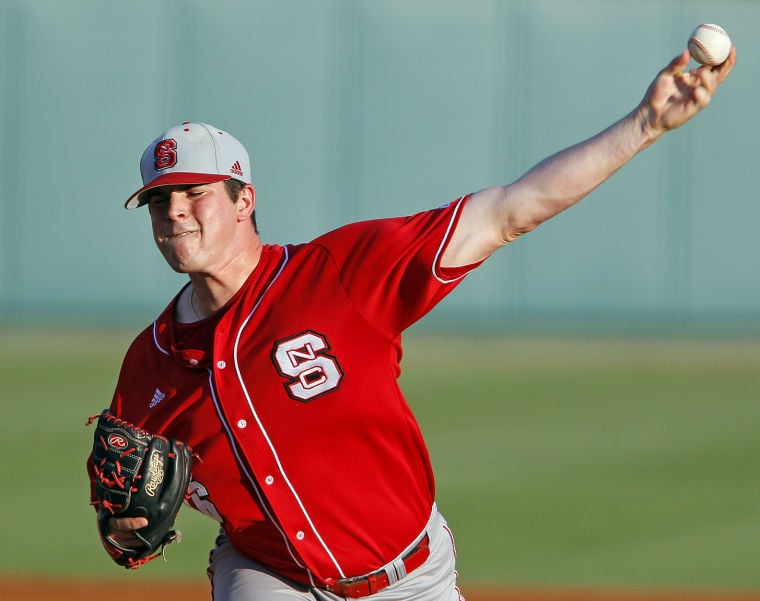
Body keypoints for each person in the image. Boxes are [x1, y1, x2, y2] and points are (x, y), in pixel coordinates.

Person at [88, 47, 735, 600]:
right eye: (159, 201)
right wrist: (122, 527)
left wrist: (645, 122)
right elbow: (121, 516)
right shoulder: (150, 360)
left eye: (194, 192)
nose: (175, 213)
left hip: (408, 577)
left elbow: (511, 210)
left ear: (243, 199)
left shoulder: (341, 271)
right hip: (267, 571)